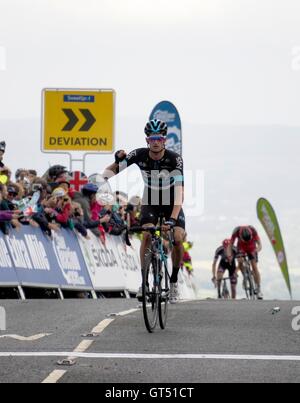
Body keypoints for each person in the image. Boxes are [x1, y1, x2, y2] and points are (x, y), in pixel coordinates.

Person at [103, 119, 185, 304]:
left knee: (178, 238)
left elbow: (180, 193)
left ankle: (173, 282)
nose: (156, 141)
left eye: (159, 138)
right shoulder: (139, 154)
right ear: (147, 140)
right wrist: (100, 181)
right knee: (147, 235)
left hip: (172, 202)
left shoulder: (174, 159)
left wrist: (172, 219)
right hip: (151, 201)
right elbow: (113, 170)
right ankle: (144, 283)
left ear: (165, 140)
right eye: (152, 138)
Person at [231, 226, 263, 299]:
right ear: (241, 236)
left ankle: (258, 289)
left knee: (254, 267)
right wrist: (231, 254)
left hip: (252, 248)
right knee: (240, 261)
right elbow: (231, 244)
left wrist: (256, 251)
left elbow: (260, 245)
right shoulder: (236, 230)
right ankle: (245, 276)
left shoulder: (253, 230)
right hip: (241, 247)